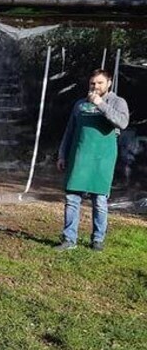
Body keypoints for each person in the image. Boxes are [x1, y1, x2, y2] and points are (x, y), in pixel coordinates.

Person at [55, 69, 129, 251]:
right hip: (79, 157)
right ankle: (69, 239)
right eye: (92, 83)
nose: (95, 86)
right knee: (72, 198)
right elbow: (70, 130)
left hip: (102, 159)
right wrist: (62, 154)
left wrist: (100, 104)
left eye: (99, 83)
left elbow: (122, 122)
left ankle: (97, 240)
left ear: (109, 83)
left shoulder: (118, 102)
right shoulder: (80, 104)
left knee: (99, 200)